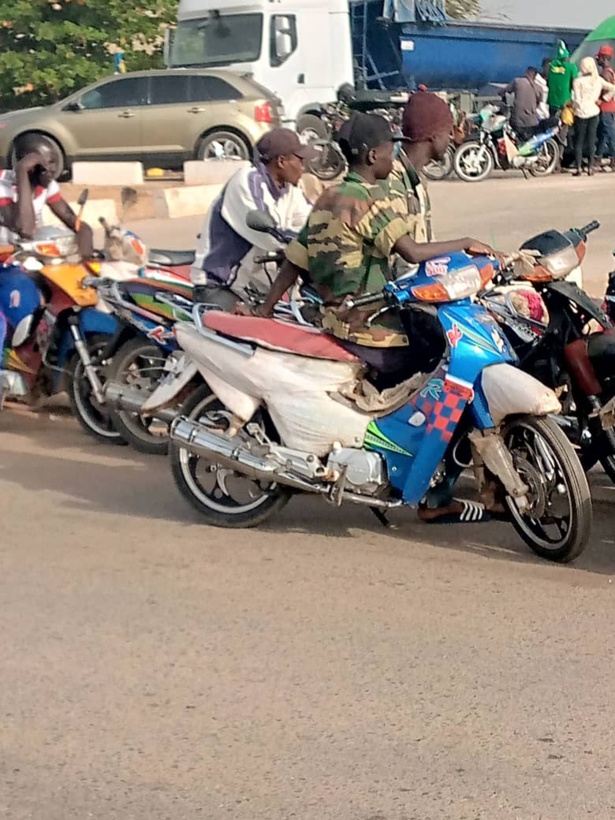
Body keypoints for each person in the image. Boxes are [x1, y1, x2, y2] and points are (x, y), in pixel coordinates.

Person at [253, 91, 459, 316]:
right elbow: (412, 253)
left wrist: (265, 309)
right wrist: (466, 243)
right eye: (390, 154)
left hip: (336, 318)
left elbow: (294, 260)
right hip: (371, 322)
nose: (393, 159)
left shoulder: (329, 195)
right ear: (372, 157)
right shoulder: (371, 200)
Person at [191, 128, 317, 309]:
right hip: (220, 286)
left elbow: (310, 222)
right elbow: (273, 236)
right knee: (242, 335)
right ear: (282, 161)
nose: (303, 167)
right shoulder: (247, 182)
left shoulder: (290, 191)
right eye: (300, 160)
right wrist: (307, 241)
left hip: (255, 288)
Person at [0, 133, 94, 258]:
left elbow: (74, 222)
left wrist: (87, 258)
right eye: (46, 165)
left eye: (53, 163)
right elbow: (25, 229)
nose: (52, 170)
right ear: (28, 165)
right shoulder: (3, 186)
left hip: (28, 254)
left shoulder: (46, 184)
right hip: (5, 255)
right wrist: (22, 171)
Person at [572, 56, 615, 176]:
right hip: (594, 112)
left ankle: (579, 168)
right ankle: (590, 168)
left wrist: (576, 107)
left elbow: (577, 99)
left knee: (579, 141)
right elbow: (612, 88)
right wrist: (602, 99)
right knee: (592, 141)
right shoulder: (598, 80)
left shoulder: (578, 81)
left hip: (581, 113)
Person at [502, 67, 542, 140]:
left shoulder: (517, 81)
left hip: (517, 121)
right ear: (535, 76)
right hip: (532, 122)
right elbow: (538, 104)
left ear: (526, 73)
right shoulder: (539, 88)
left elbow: (504, 91)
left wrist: (503, 97)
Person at [596, 44, 615, 170]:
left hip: (606, 108)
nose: (597, 60)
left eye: (599, 58)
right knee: (603, 134)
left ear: (604, 58)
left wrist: (600, 99)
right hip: (609, 107)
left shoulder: (605, 74)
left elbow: (609, 90)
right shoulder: (609, 71)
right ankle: (598, 157)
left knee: (609, 133)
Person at [547, 41, 578, 116]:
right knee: (565, 123)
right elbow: (575, 84)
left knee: (553, 124)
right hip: (565, 102)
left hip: (552, 102)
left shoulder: (551, 66)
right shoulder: (571, 67)